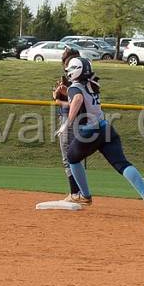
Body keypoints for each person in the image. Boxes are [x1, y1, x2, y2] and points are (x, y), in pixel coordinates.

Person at [56, 57, 144, 220]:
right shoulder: (93, 85)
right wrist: (66, 93)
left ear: (75, 71)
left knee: (71, 158)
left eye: (70, 69)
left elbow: (77, 99)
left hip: (89, 132)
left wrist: (67, 122)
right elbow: (82, 95)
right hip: (106, 128)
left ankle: (85, 196)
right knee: (122, 164)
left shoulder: (74, 88)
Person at [53, 48, 82, 201]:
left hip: (69, 119)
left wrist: (59, 99)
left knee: (68, 157)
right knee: (74, 156)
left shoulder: (74, 78)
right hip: (83, 120)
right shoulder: (84, 76)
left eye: (66, 61)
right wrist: (60, 93)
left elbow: (74, 103)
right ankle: (78, 192)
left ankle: (75, 193)